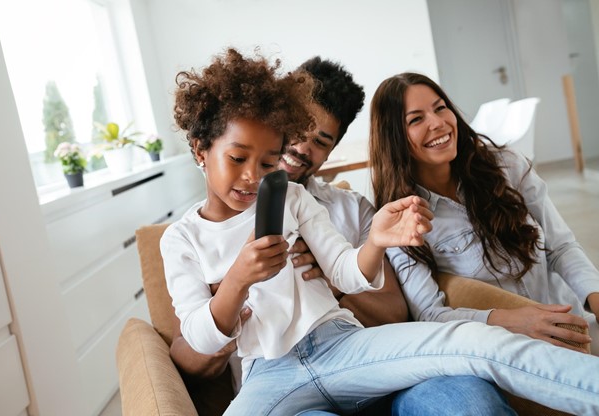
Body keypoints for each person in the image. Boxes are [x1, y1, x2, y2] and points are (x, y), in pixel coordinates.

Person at [162, 48, 599, 416]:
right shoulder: (180, 239)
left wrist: (375, 241)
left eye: (267, 160)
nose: (254, 176)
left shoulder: (299, 202)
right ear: (201, 150)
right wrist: (236, 282)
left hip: (344, 346)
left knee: (474, 342)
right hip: (268, 373)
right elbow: (198, 337)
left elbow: (349, 272)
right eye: (238, 158)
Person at [368, 72, 599, 356]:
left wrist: (595, 297)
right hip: (513, 351)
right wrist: (514, 320)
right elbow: (430, 314)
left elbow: (561, 246)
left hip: (574, 325)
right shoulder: (401, 221)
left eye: (440, 108)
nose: (438, 123)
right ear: (394, 138)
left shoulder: (507, 167)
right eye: (416, 119)